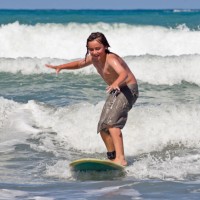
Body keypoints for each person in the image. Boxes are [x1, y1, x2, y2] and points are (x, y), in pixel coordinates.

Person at [45, 32, 138, 166]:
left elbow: (123, 73)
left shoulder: (111, 59)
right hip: (115, 90)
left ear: (105, 46)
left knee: (112, 124)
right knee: (102, 127)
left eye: (98, 48)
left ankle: (121, 159)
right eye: (91, 49)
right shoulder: (93, 59)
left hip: (129, 89)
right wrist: (61, 67)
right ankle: (112, 158)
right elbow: (78, 64)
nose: (94, 52)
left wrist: (116, 83)